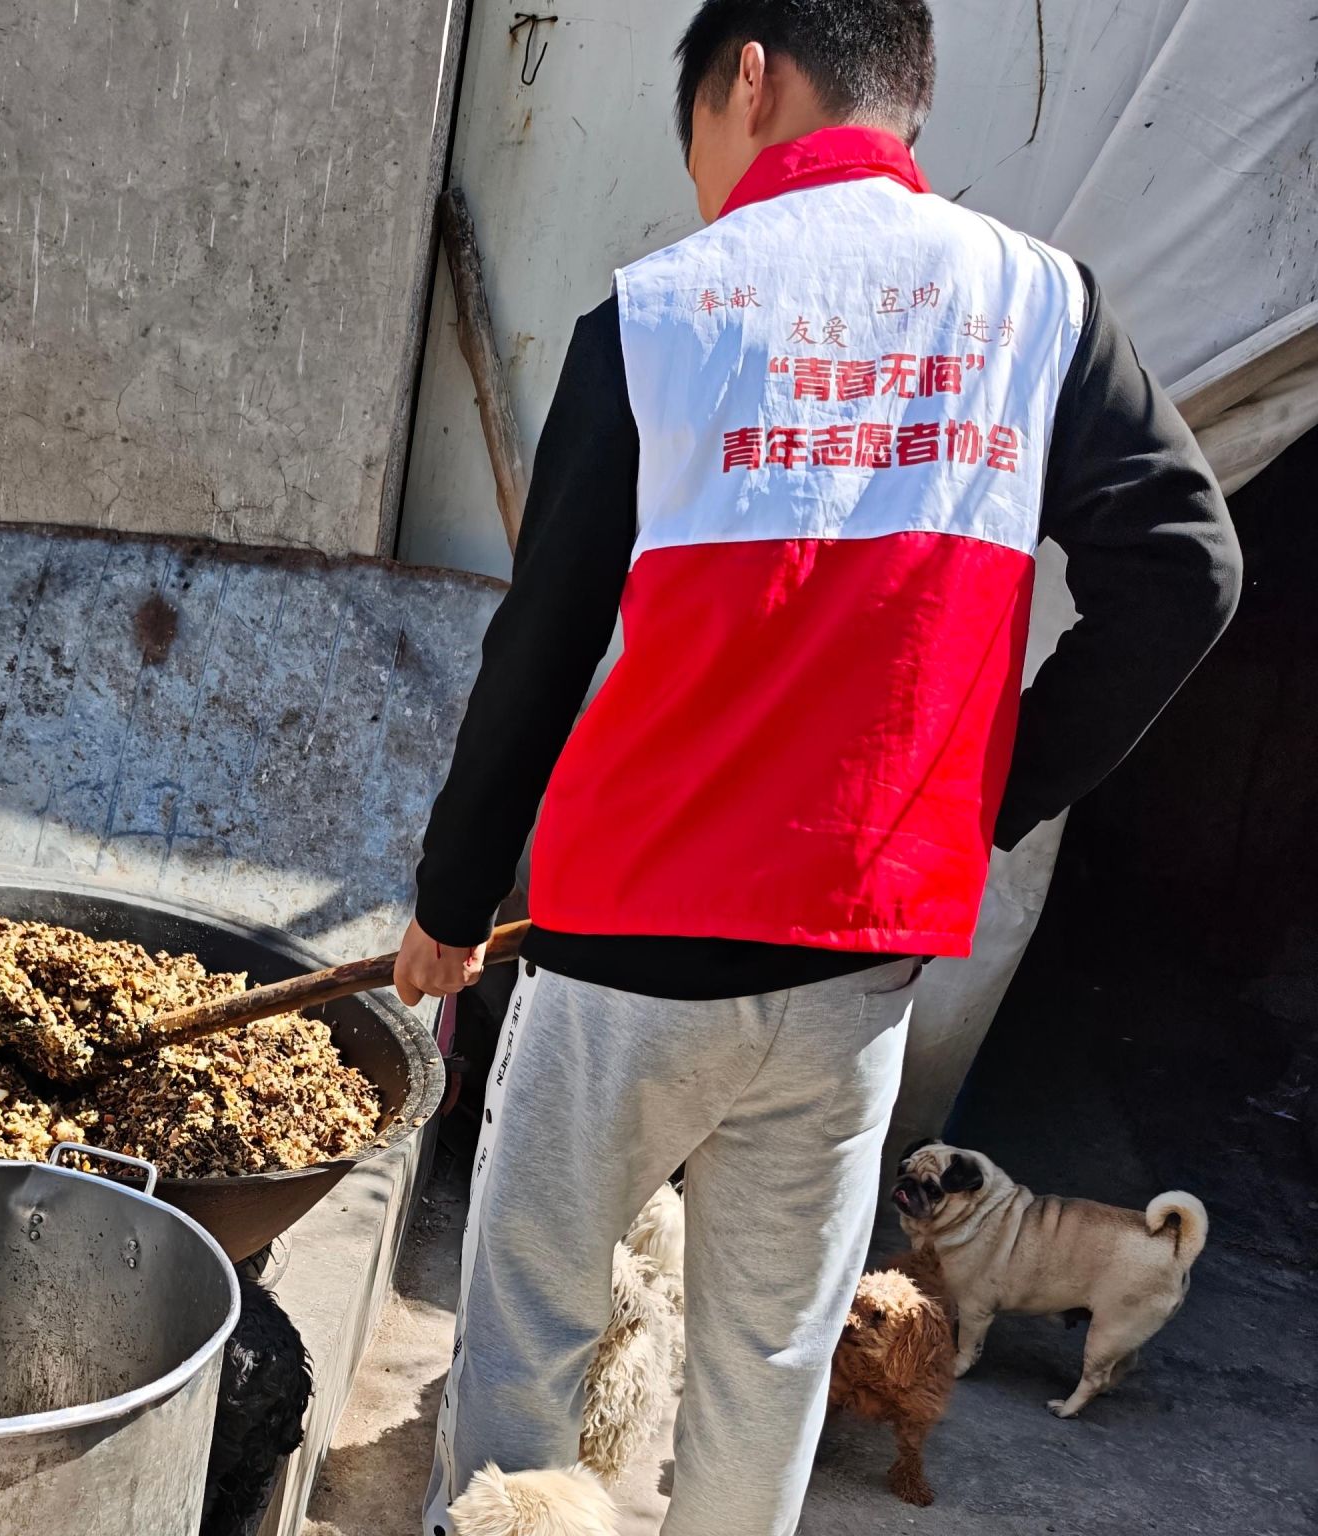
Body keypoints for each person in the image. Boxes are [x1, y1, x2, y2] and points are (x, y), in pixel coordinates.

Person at [396, 3, 1242, 1532]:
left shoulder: (660, 315)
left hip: (623, 957)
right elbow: (1187, 570)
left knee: (529, 1341)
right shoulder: (1034, 303)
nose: (705, 182)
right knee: (765, 1375)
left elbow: (541, 646)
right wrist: (989, 797)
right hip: (854, 971)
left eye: (697, 141)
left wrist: (451, 905)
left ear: (748, 76)